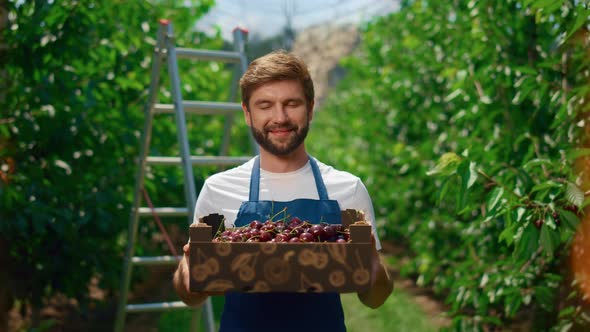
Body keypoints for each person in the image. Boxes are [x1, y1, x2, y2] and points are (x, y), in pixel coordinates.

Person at [173, 50, 393, 331]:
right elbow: (191, 297)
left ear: (310, 109)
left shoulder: (348, 188)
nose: (280, 117)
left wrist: (372, 266)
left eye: (292, 103)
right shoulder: (218, 189)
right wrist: (188, 270)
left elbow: (375, 299)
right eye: (265, 105)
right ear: (247, 114)